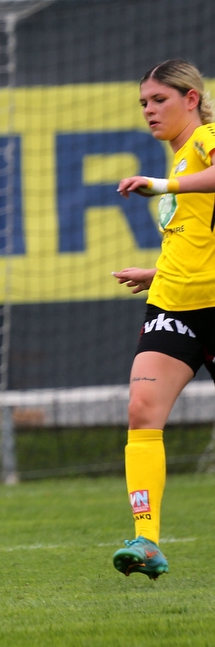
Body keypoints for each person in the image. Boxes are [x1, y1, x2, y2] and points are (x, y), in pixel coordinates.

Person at [113, 59, 215, 580]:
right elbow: (199, 240)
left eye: (159, 100)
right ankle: (146, 539)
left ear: (191, 98)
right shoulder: (178, 164)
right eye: (144, 103)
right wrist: (157, 274)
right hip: (174, 302)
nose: (149, 111)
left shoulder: (206, 140)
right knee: (141, 410)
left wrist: (161, 185)